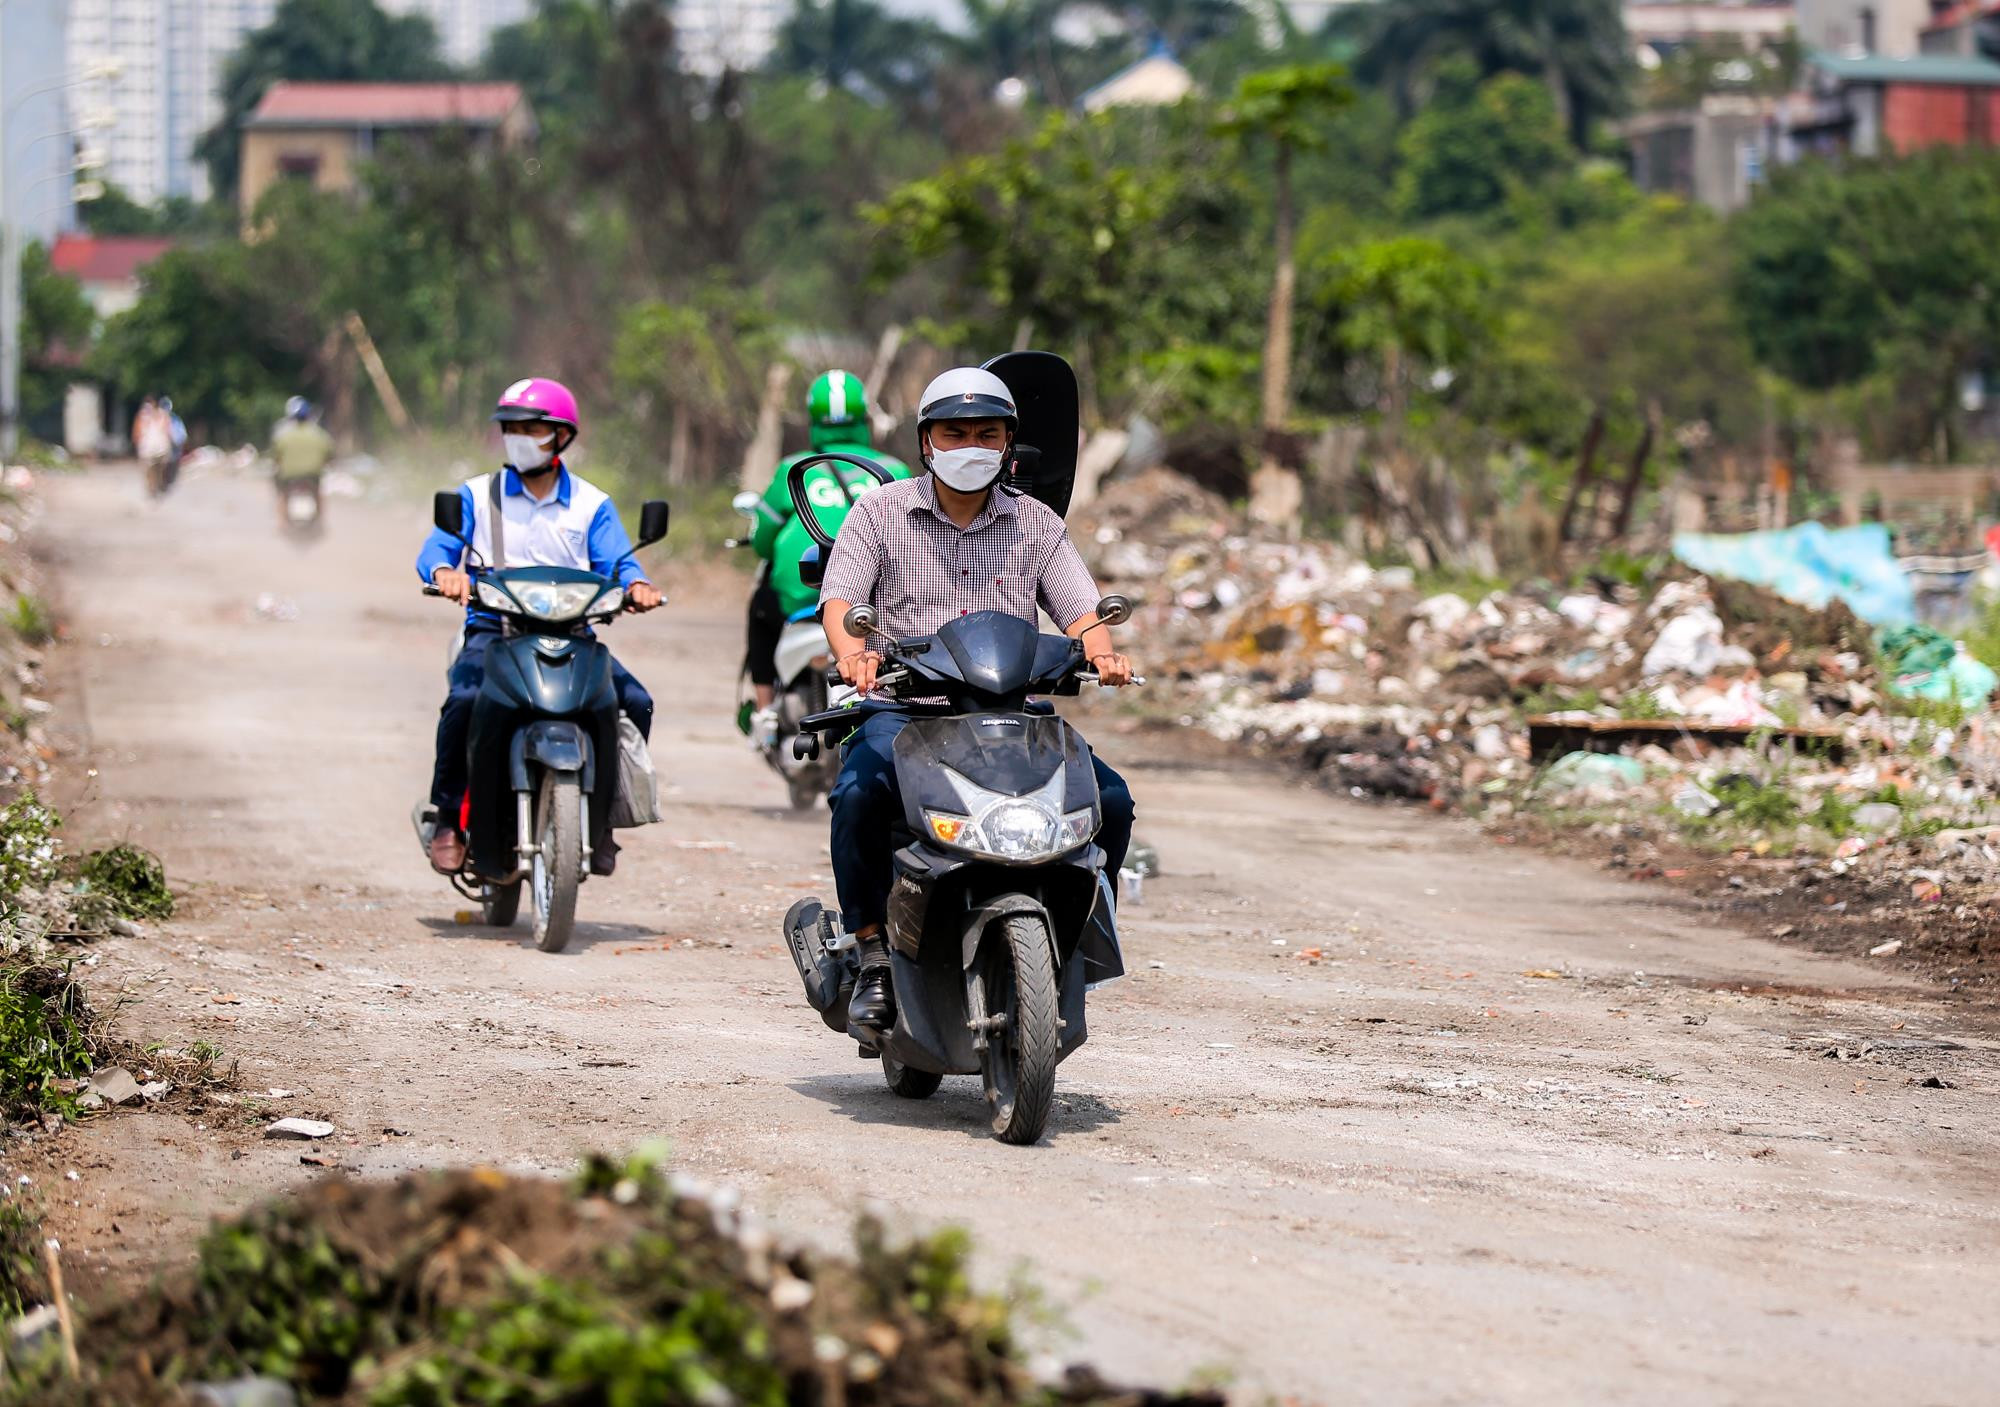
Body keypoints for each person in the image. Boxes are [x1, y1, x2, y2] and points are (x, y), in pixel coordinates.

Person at [816, 366, 1137, 1034]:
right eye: (953, 432)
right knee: (859, 795)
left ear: (1009, 443)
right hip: (906, 713)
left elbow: (1080, 607)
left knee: (1108, 799)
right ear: (926, 442)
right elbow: (842, 598)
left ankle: (1074, 930)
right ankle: (872, 949)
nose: (970, 445)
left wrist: (1100, 651)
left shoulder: (1035, 522)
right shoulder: (878, 512)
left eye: (986, 433)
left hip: (1009, 716)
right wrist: (855, 655)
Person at [414, 377, 662, 878]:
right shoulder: (477, 496)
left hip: (574, 634)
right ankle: (446, 817)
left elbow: (620, 562)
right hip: (494, 632)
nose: (519, 437)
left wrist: (638, 585)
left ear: (560, 437)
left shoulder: (591, 505)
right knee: (463, 702)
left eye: (531, 428)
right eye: (511, 428)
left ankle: (603, 819)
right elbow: (437, 550)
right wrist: (446, 574)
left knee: (634, 702)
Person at [744, 370, 909, 745]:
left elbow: (763, 543)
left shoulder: (793, 470)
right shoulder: (893, 471)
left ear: (812, 419)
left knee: (760, 608)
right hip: (871, 605)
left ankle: (765, 708)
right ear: (864, 417)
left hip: (802, 599)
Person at [270, 396, 334, 526]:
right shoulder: (319, 434)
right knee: (318, 493)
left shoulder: (283, 435)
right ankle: (320, 521)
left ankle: (282, 523)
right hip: (312, 475)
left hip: (289, 476)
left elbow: (276, 457)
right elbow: (329, 454)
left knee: (282, 494)